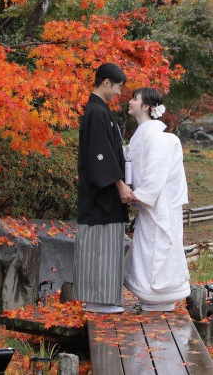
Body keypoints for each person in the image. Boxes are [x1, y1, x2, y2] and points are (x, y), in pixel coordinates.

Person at [74, 63, 135, 314]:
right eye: (119, 87)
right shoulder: (96, 111)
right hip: (101, 194)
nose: (120, 92)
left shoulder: (99, 110)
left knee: (103, 245)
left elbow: (111, 152)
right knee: (99, 246)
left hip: (103, 191)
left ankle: (100, 299)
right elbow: (101, 155)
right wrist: (120, 184)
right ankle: (98, 300)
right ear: (106, 82)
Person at [123, 87, 190, 311]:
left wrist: (135, 196)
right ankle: (150, 295)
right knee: (146, 250)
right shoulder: (141, 137)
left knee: (159, 249)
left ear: (145, 107)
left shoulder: (163, 140)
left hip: (161, 207)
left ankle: (161, 294)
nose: (129, 101)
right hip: (147, 207)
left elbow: (155, 176)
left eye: (134, 98)